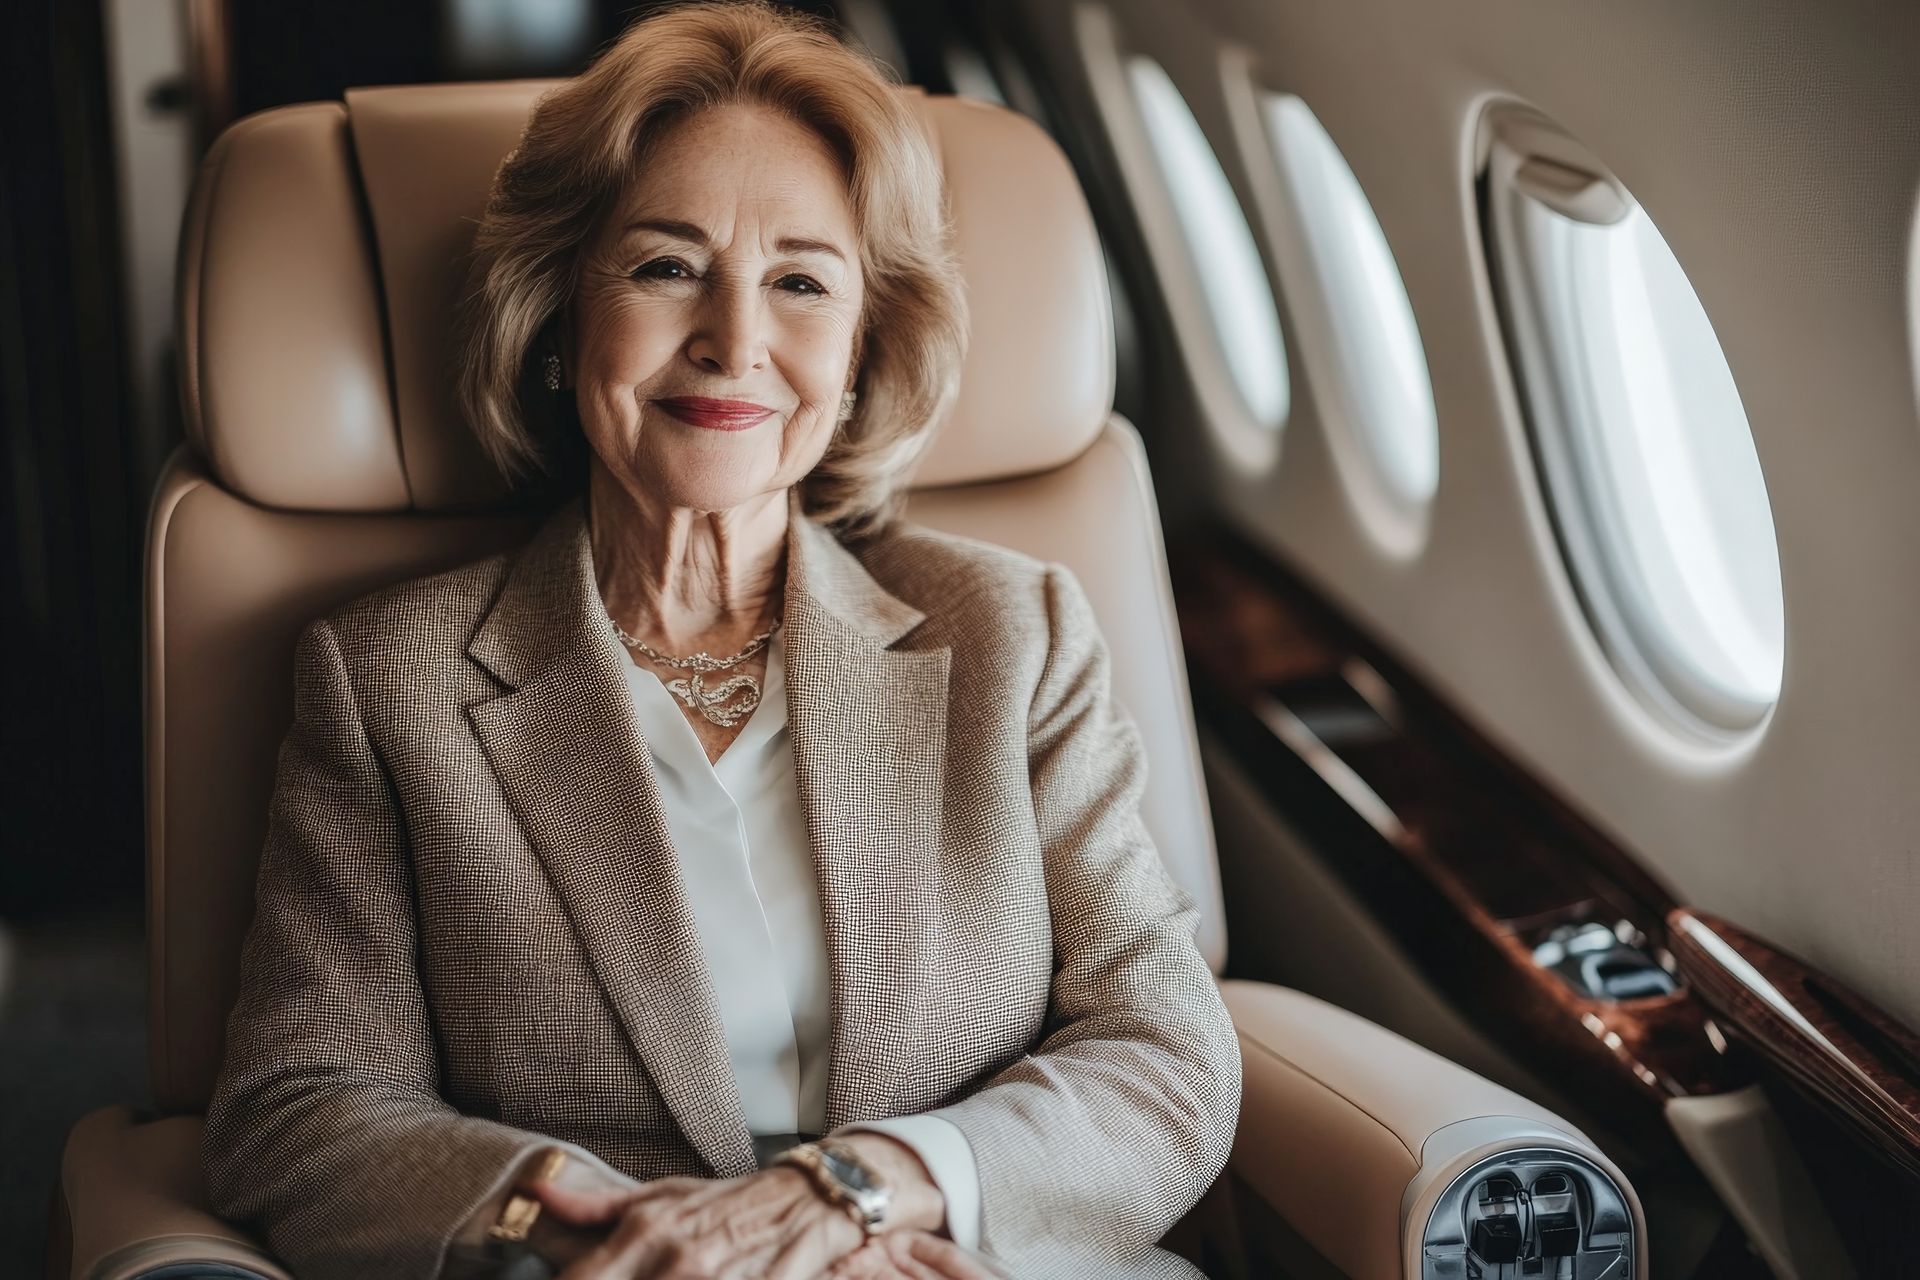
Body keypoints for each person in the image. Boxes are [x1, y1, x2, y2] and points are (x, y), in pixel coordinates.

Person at [200, 3, 1240, 1277]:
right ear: (560, 313)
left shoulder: (1017, 634)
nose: (734, 340)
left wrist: (867, 1188)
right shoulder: (382, 682)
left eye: (801, 282)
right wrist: (611, 1228)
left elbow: (1165, 1045)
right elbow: (300, 1105)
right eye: (666, 267)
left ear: (860, 354)